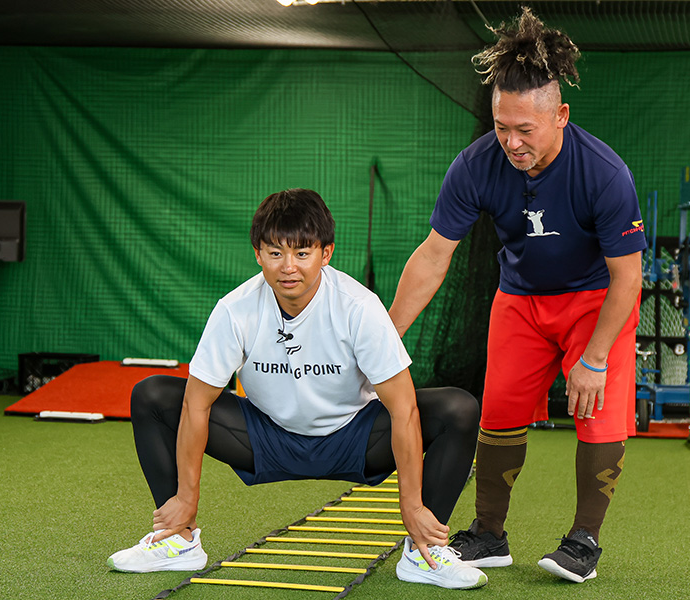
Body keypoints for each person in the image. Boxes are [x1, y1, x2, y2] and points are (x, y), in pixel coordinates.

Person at [107, 188, 487, 590]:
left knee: (457, 408)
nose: (288, 267)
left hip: (355, 439)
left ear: (326, 253)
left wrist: (411, 504)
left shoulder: (359, 307)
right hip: (265, 438)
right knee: (153, 395)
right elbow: (195, 407)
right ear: (258, 254)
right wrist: (186, 495)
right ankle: (178, 538)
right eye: (275, 253)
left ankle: (423, 552)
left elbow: (404, 410)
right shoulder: (236, 309)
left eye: (302, 253)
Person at [388, 8, 646, 584]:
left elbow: (628, 278)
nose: (511, 141)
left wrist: (595, 358)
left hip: (594, 301)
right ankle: (488, 534)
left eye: (525, 129)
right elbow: (434, 256)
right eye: (502, 126)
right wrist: (386, 336)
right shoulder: (477, 164)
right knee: (498, 413)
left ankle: (583, 541)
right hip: (520, 301)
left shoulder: (605, 174)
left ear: (560, 115)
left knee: (598, 416)